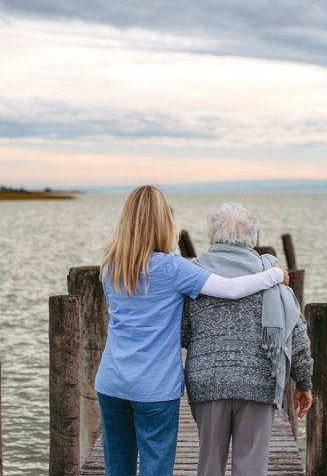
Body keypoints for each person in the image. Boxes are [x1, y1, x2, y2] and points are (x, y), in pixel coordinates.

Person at [95, 186, 289, 476]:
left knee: (117, 470)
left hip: (111, 384)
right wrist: (274, 274)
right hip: (154, 389)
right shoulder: (172, 268)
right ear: (164, 223)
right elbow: (232, 289)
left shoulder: (110, 266)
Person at [181, 202, 313, 476]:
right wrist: (304, 383)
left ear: (212, 235)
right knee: (251, 469)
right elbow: (296, 337)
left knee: (209, 467)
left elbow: (182, 333)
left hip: (207, 382)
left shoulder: (193, 277)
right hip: (258, 383)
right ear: (252, 237)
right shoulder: (273, 279)